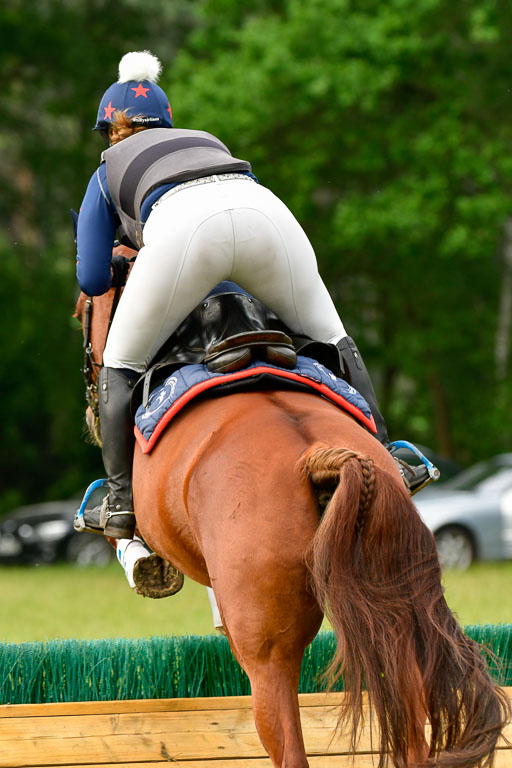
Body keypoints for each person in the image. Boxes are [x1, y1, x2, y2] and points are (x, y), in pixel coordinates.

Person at [75, 50, 430, 540]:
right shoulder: (208, 142)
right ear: (168, 121)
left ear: (110, 131)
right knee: (331, 334)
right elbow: (235, 225)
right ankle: (390, 457)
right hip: (267, 217)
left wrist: (122, 262)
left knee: (119, 362)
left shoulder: (106, 167)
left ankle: (119, 503)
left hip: (184, 234)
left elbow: (93, 280)